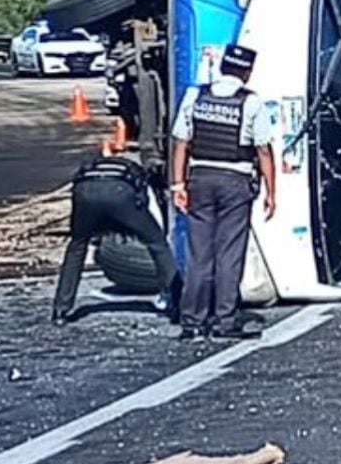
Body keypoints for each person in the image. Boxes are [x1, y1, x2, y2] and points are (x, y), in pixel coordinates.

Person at [169, 44, 277, 340]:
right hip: (235, 181)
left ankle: (191, 321)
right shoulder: (251, 103)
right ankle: (225, 320)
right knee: (229, 254)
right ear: (247, 71)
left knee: (199, 254)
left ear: (222, 67)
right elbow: (263, 150)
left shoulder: (196, 96)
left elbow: (180, 142)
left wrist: (177, 184)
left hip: (199, 179)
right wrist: (271, 192)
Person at [54, 152, 178, 325]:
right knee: (157, 244)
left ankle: (61, 309)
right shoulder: (141, 171)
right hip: (121, 193)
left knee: (77, 246)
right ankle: (178, 303)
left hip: (85, 192)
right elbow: (151, 211)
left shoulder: (93, 165)